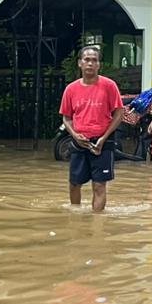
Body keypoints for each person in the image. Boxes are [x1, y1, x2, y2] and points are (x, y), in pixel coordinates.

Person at [59, 45, 125, 213]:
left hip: (103, 142)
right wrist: (74, 135)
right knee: (74, 184)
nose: (90, 63)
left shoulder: (109, 86)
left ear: (99, 65)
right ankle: (75, 217)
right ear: (80, 63)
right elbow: (66, 117)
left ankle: (97, 225)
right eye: (86, 60)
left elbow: (119, 113)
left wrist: (104, 138)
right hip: (79, 142)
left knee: (99, 185)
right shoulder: (71, 89)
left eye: (94, 60)